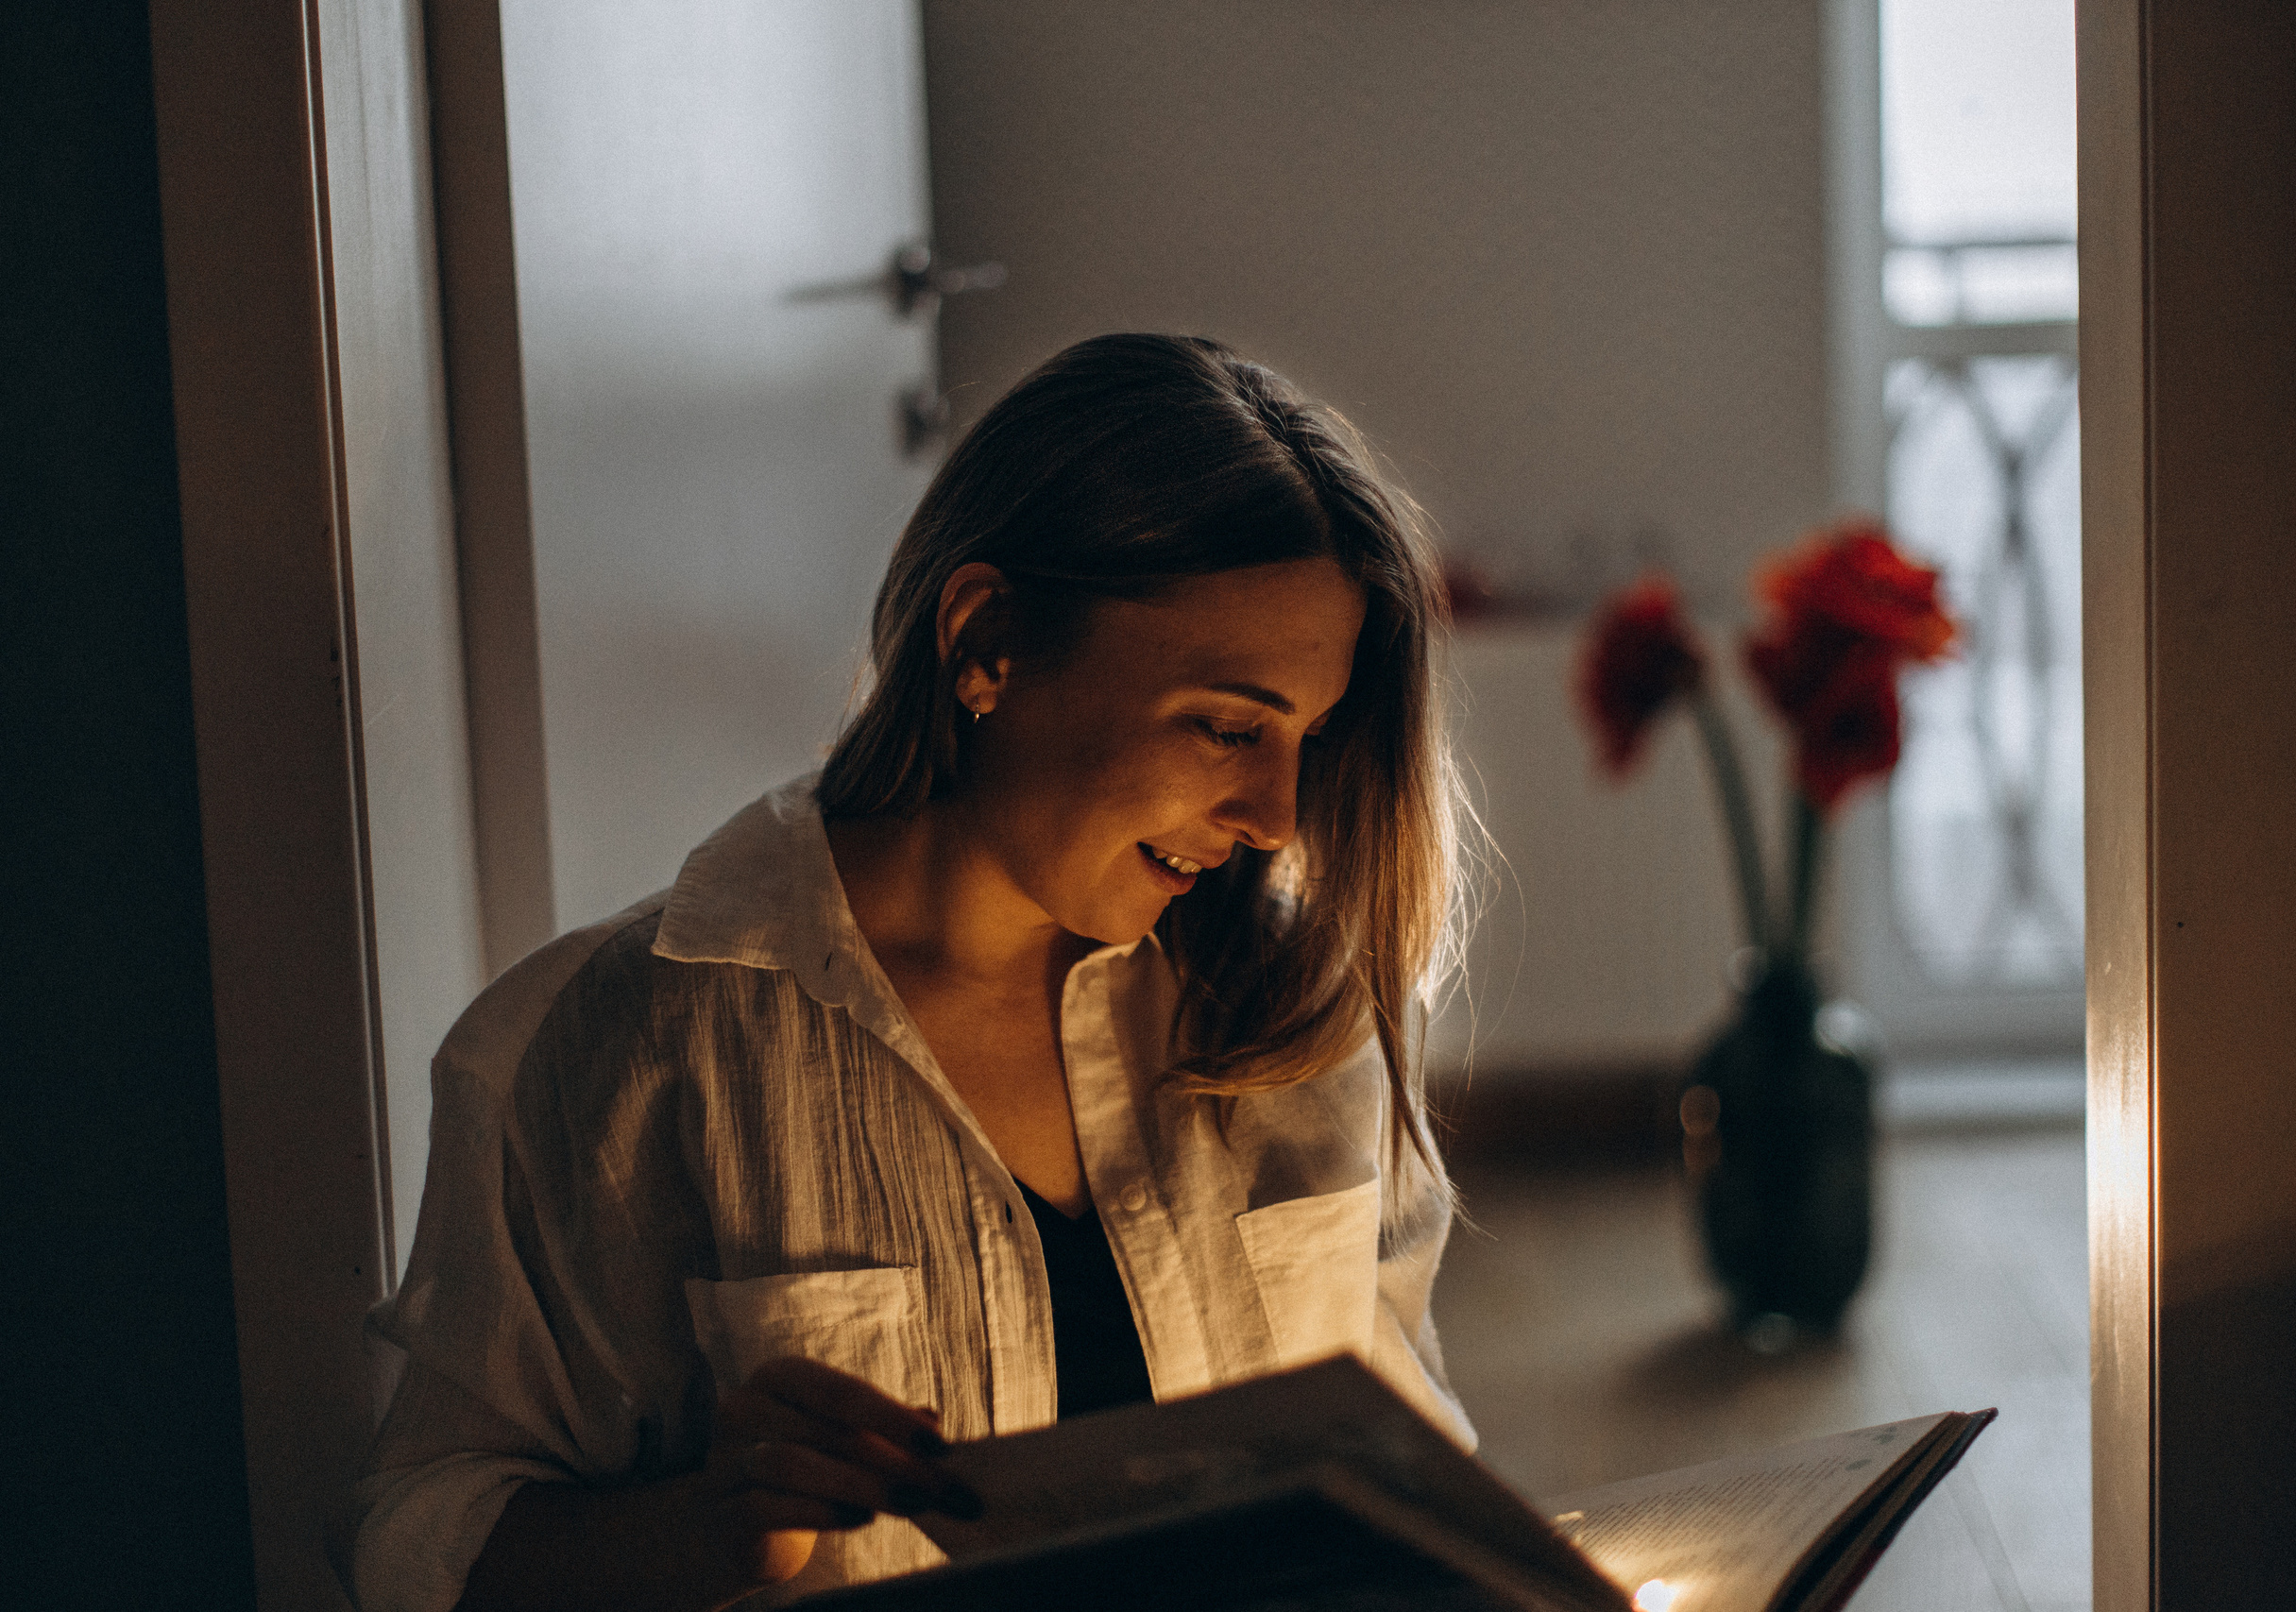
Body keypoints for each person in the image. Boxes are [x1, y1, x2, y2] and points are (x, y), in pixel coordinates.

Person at [345, 333, 1473, 1612]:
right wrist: (695, 1531)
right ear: (988, 639)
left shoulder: (1290, 1014)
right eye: (1226, 725)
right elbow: (413, 1542)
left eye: (1306, 741)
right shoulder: (603, 1051)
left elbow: (1407, 1449)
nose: (1275, 814)